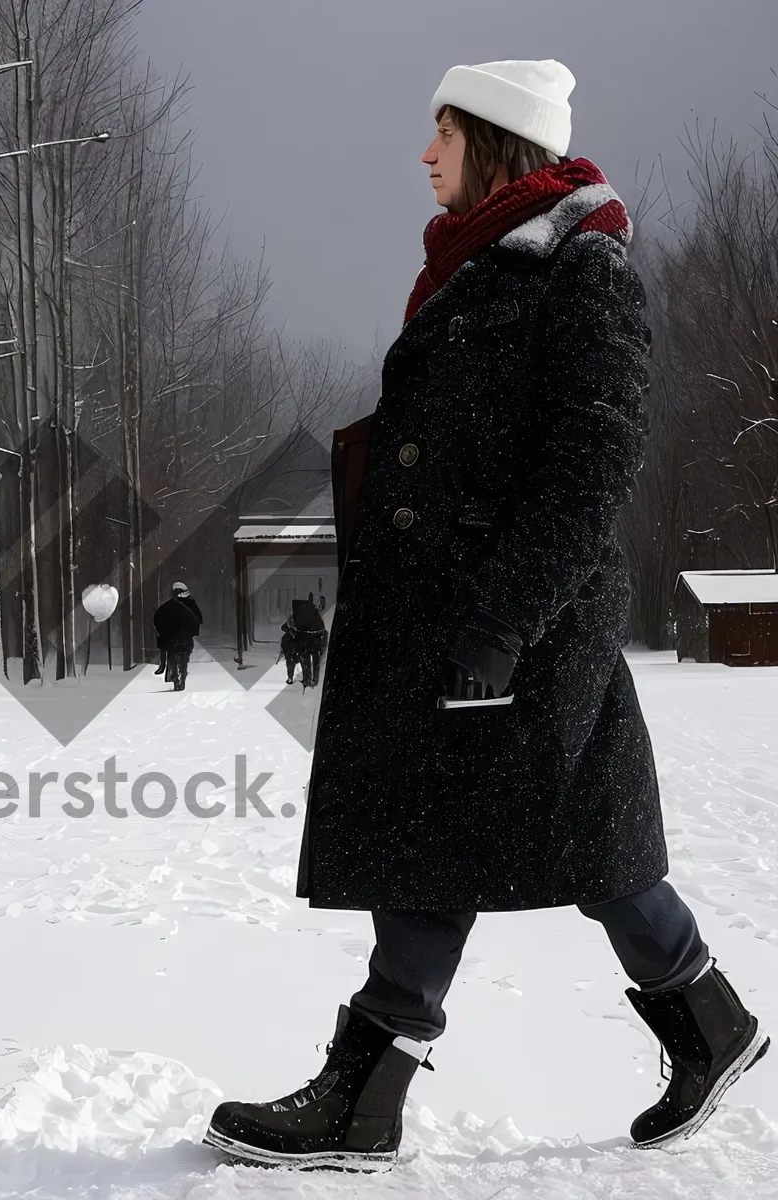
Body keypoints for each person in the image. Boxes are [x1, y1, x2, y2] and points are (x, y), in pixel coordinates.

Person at [204, 59, 768, 1172]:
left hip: (523, 621)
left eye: (445, 135)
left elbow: (593, 464)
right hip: (454, 616)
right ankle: (695, 1025)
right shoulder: (474, 267)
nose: (426, 155)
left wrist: (507, 619)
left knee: (544, 840)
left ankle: (689, 1023)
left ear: (498, 141)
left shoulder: (583, 264)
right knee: (463, 842)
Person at [152, 582, 200, 691]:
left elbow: (158, 622)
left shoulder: (183, 606)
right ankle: (178, 678)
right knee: (178, 660)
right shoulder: (183, 606)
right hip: (178, 640)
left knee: (177, 659)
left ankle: (178, 678)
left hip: (177, 640)